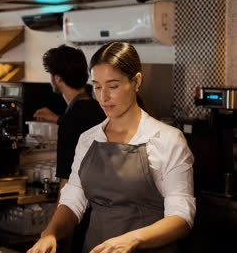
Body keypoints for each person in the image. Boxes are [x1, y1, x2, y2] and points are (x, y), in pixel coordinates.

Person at [27, 42, 195, 253]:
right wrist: (51, 233)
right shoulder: (88, 139)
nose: (103, 96)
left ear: (136, 81)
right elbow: (73, 200)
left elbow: (182, 217)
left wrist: (134, 239)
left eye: (113, 86)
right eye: (97, 86)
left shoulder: (168, 140)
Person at [33, 45, 106, 253]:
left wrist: (52, 231)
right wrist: (59, 119)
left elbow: (67, 181)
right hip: (102, 211)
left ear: (57, 79)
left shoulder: (71, 120)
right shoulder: (97, 108)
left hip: (79, 215)